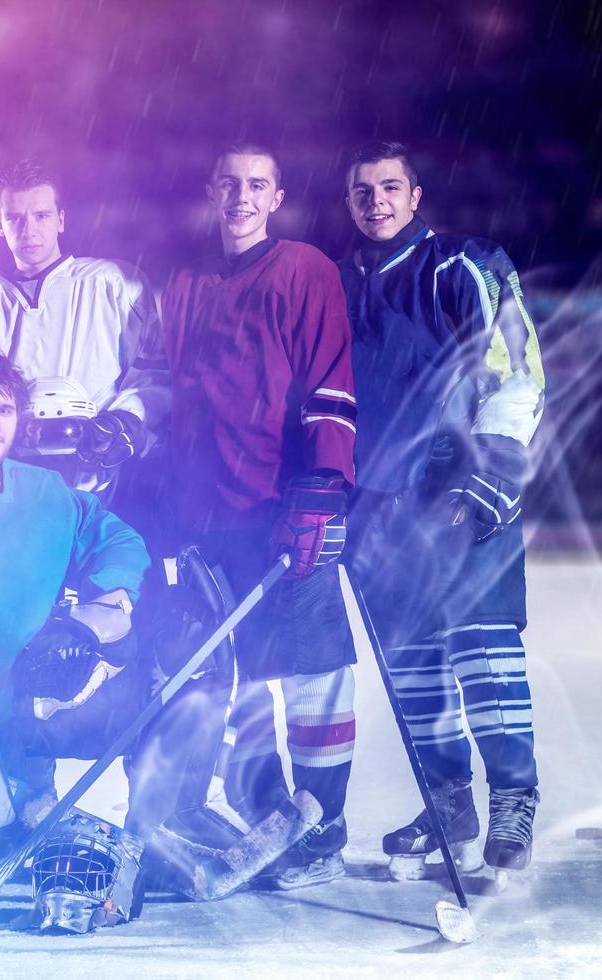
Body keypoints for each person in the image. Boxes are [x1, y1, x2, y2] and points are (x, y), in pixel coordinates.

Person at [0, 350, 306, 921]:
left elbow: (122, 545)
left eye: (6, 410)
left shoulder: (46, 493)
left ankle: (144, 838)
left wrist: (96, 612)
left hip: (34, 699)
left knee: (171, 655)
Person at [339, 139, 544, 878]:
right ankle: (448, 798)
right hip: (383, 508)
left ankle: (513, 796)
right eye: (361, 190)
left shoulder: (463, 263)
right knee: (413, 665)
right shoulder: (337, 280)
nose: (376, 202)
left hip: (461, 489)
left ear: (414, 196)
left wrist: (491, 470)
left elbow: (513, 369)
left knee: (483, 649)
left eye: (389, 187)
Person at [159, 142, 359, 889]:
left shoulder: (304, 268)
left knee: (313, 670)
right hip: (208, 516)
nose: (241, 196)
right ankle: (275, 814)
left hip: (284, 507)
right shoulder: (183, 278)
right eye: (230, 183)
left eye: (257, 185)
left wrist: (321, 486)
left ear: (275, 197)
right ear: (212, 189)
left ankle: (325, 827)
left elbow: (328, 380)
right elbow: (178, 395)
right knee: (231, 679)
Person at [0, 160, 168, 503]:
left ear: (61, 219)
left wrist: (124, 421)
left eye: (41, 215)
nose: (29, 231)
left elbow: (154, 374)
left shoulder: (113, 283)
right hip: (7, 485)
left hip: (98, 485)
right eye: (15, 218)